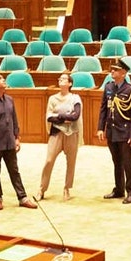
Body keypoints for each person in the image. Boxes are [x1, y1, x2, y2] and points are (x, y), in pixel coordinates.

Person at [0, 72, 36, 210]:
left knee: (14, 170)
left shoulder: (10, 100)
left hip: (9, 141)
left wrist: (17, 137)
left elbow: (14, 120)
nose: (3, 79)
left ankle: (22, 197)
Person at [97, 58, 131, 204]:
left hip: (125, 132)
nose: (112, 72)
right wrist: (100, 128)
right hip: (111, 130)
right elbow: (104, 108)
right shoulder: (109, 87)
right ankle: (119, 189)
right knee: (116, 162)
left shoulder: (130, 90)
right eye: (112, 69)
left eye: (115, 70)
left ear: (123, 73)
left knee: (128, 162)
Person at [37, 73, 82, 201]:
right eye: (60, 79)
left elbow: (75, 116)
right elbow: (49, 117)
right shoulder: (52, 99)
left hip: (71, 133)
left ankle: (67, 188)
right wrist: (63, 118)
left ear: (70, 83)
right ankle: (42, 189)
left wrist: (59, 116)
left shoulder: (75, 98)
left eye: (64, 79)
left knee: (71, 162)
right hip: (56, 132)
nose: (60, 80)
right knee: (49, 160)